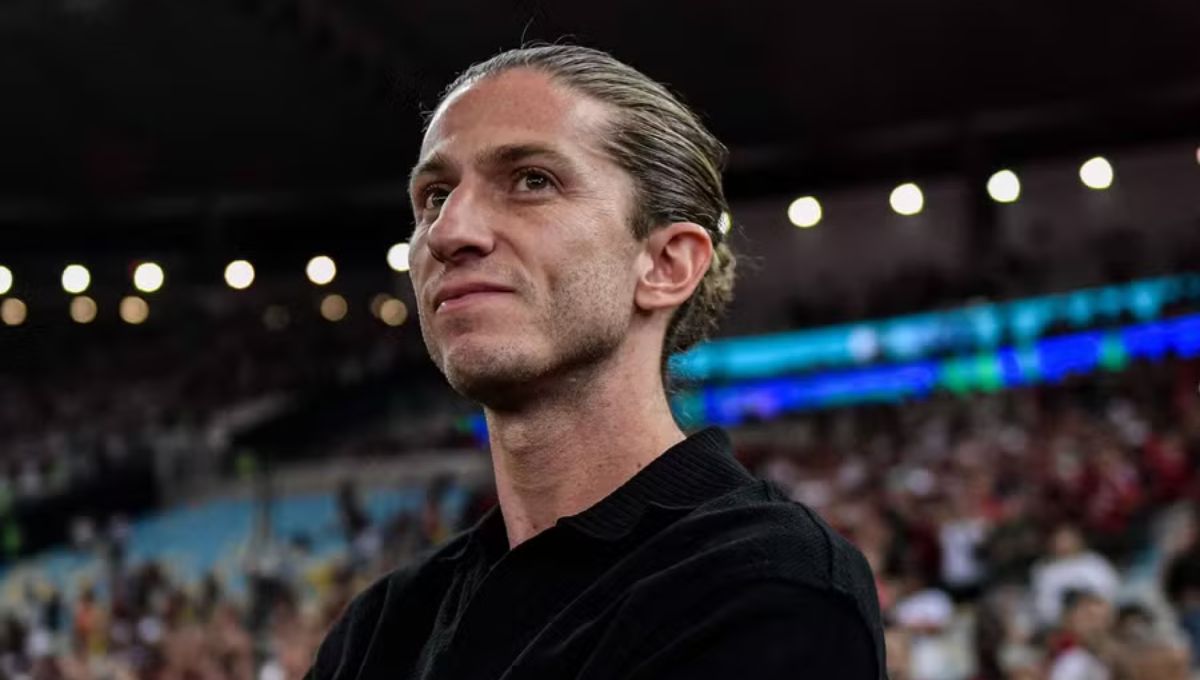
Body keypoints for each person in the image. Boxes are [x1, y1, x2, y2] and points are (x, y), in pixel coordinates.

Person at [304, 44, 885, 679]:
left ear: (665, 265)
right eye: (435, 195)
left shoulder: (771, 586)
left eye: (532, 180)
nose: (447, 231)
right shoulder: (378, 629)